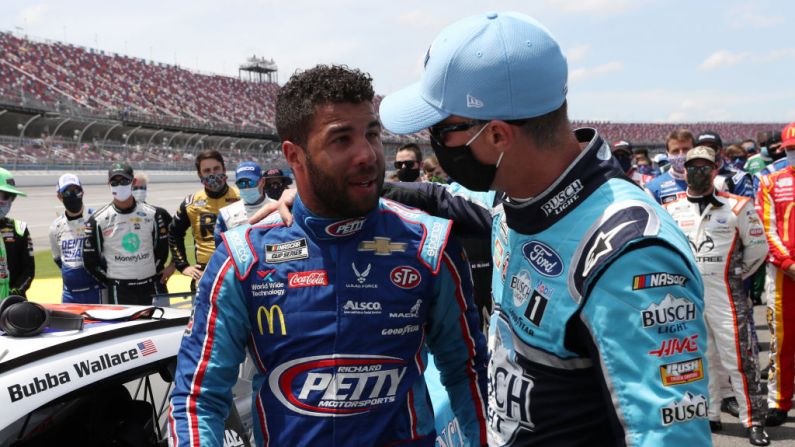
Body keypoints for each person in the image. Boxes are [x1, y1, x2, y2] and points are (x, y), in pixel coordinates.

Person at [375, 11, 711, 445]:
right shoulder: (515, 194)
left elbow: (668, 438)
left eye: (442, 129)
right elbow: (441, 199)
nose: (431, 142)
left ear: (496, 136)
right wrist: (348, 191)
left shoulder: (629, 254)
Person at [170, 64, 488, 446]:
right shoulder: (244, 257)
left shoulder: (429, 244)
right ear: (295, 155)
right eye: (342, 140)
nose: (368, 154)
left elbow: (467, 373)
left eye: (372, 134)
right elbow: (196, 399)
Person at [663, 146, 769, 445]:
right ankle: (710, 414)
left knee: (740, 358)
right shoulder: (671, 208)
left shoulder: (737, 206)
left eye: (704, 166)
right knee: (699, 357)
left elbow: (758, 250)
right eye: (692, 166)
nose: (698, 171)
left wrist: (735, 275)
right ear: (684, 170)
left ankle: (754, 420)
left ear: (715, 169)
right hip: (688, 295)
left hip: (727, 292)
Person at [83, 163, 171, 305]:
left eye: (124, 181)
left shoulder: (153, 214)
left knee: (156, 326)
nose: (119, 185)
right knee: (126, 327)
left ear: (133, 182)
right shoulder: (98, 220)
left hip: (150, 285)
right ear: (109, 185)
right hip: (119, 289)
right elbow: (90, 261)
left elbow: (167, 244)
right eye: (114, 182)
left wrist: (172, 265)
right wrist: (110, 280)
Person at [757, 122, 795, 427]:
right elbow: (766, 228)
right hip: (785, 275)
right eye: (792, 150)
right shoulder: (770, 182)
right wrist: (787, 263)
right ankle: (779, 401)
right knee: (781, 340)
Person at [169, 150, 239, 285]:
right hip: (205, 273)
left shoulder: (241, 197)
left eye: (216, 168)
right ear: (199, 174)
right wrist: (183, 265)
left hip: (239, 269)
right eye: (207, 171)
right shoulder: (191, 202)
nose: (212, 174)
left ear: (224, 169)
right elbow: (174, 233)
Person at [48, 174, 104, 304]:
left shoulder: (97, 218)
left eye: (76, 190)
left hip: (97, 291)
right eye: (67, 192)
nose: (72, 194)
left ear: (83, 192)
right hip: (69, 294)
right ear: (59, 196)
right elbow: (58, 259)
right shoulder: (55, 227)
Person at [214, 161, 274, 246]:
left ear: (262, 182)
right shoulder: (226, 214)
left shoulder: (278, 208)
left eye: (251, 182)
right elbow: (220, 249)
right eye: (241, 184)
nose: (246, 187)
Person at [133, 171, 176, 289]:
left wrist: (173, 265)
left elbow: (177, 236)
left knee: (162, 308)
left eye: (142, 187)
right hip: (127, 282)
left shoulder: (159, 214)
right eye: (135, 187)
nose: (139, 190)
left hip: (157, 278)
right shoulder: (115, 216)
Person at [0, 168, 33, 301]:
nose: (4, 201)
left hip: (13, 305)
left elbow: (29, 270)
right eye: (2, 195)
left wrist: (14, 293)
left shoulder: (20, 229)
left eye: (9, 196)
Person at [695, 131, 754, 198]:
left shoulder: (738, 178)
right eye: (701, 149)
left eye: (713, 148)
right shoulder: (689, 176)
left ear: (721, 151)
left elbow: (747, 206)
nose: (707, 152)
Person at [645, 128, 695, 204]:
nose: (681, 154)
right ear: (667, 154)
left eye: (686, 149)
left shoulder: (711, 182)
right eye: (675, 151)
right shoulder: (652, 188)